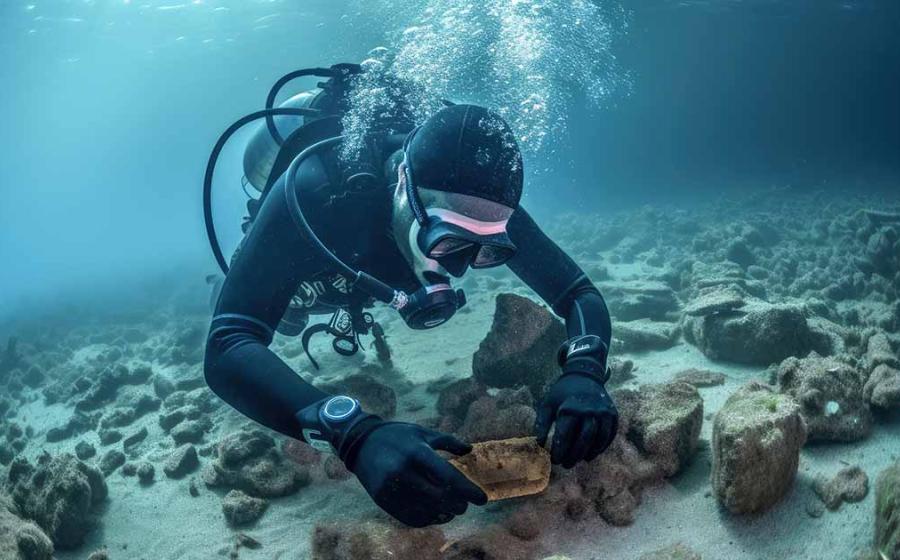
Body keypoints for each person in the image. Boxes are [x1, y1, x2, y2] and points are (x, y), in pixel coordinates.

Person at [204, 84, 618, 527]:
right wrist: (354, 435)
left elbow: (577, 292)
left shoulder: (484, 203)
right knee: (287, 318)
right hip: (319, 268)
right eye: (448, 240)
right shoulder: (314, 190)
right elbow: (228, 343)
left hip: (373, 263)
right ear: (404, 185)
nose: (459, 270)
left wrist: (584, 370)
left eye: (487, 251)